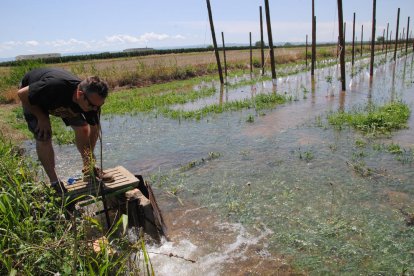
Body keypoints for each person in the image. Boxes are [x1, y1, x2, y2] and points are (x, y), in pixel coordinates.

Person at [17, 67, 114, 194]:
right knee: (44, 135)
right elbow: (22, 94)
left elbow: (94, 129)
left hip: (67, 101)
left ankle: (88, 169)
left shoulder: (92, 102)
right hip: (36, 99)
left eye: (99, 106)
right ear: (80, 94)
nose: (95, 109)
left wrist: (89, 159)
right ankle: (54, 183)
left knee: (84, 129)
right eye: (92, 106)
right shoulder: (54, 86)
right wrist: (42, 117)